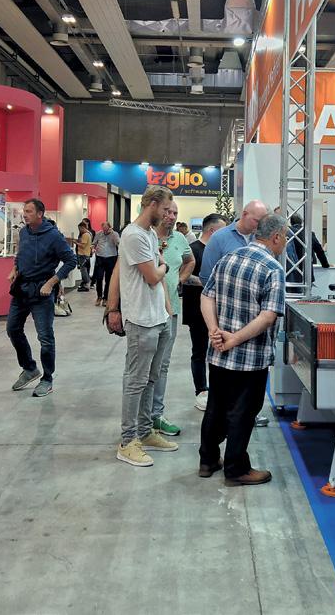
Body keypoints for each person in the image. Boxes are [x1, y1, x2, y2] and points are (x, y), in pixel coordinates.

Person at [198, 214, 287, 485]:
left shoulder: (229, 258)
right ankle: (236, 469)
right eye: (285, 236)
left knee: (215, 406)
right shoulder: (273, 268)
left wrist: (214, 331)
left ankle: (208, 460)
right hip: (250, 357)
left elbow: (206, 296)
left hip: (219, 352)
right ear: (275, 237)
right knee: (243, 412)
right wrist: (235, 339)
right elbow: (268, 316)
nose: (285, 242)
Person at [112, 185, 179, 467]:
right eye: (165, 209)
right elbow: (153, 275)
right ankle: (128, 441)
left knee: (151, 378)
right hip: (140, 320)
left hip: (158, 317)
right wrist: (164, 267)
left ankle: (145, 430)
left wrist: (167, 308)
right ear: (151, 204)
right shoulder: (133, 236)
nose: (167, 215)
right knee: (136, 381)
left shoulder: (150, 234)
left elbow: (158, 271)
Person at [7, 198, 77, 398]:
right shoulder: (24, 232)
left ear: (40, 214)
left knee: (45, 337)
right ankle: (29, 368)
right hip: (22, 288)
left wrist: (52, 282)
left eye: (29, 211)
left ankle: (47, 378)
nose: (24, 214)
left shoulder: (54, 236)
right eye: (24, 211)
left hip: (42, 291)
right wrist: (15, 268)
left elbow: (70, 260)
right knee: (12, 329)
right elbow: (21, 254)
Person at [151, 198, 195, 437]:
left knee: (163, 364)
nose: (171, 216)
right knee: (143, 366)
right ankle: (140, 418)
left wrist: (180, 279)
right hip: (146, 311)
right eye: (168, 211)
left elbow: (190, 260)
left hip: (172, 311)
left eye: (175, 213)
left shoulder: (179, 239)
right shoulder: (145, 236)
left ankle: (156, 415)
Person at [182, 213, 228, 411]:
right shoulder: (192, 250)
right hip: (196, 309)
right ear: (213, 230)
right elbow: (183, 277)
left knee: (220, 348)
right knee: (199, 351)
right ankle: (201, 391)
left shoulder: (221, 251)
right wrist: (208, 283)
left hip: (220, 310)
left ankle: (220, 391)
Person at [199, 200, 268, 284]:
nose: (259, 225)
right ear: (244, 214)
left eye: (262, 223)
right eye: (257, 221)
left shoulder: (263, 239)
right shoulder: (219, 238)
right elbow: (206, 277)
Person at [92, 222, 119, 307]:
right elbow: (94, 243)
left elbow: (118, 243)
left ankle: (105, 298)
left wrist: (112, 233)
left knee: (108, 279)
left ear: (110, 228)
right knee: (99, 278)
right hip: (100, 257)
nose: (105, 231)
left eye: (106, 229)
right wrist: (93, 248)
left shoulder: (114, 234)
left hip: (111, 257)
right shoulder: (99, 234)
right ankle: (99, 296)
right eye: (103, 229)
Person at [73, 221, 93, 292]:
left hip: (83, 254)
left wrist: (76, 243)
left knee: (83, 270)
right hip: (87, 254)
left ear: (82, 227)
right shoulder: (89, 234)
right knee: (85, 270)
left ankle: (87, 284)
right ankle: (86, 284)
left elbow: (83, 245)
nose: (79, 230)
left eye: (80, 229)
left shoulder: (85, 235)